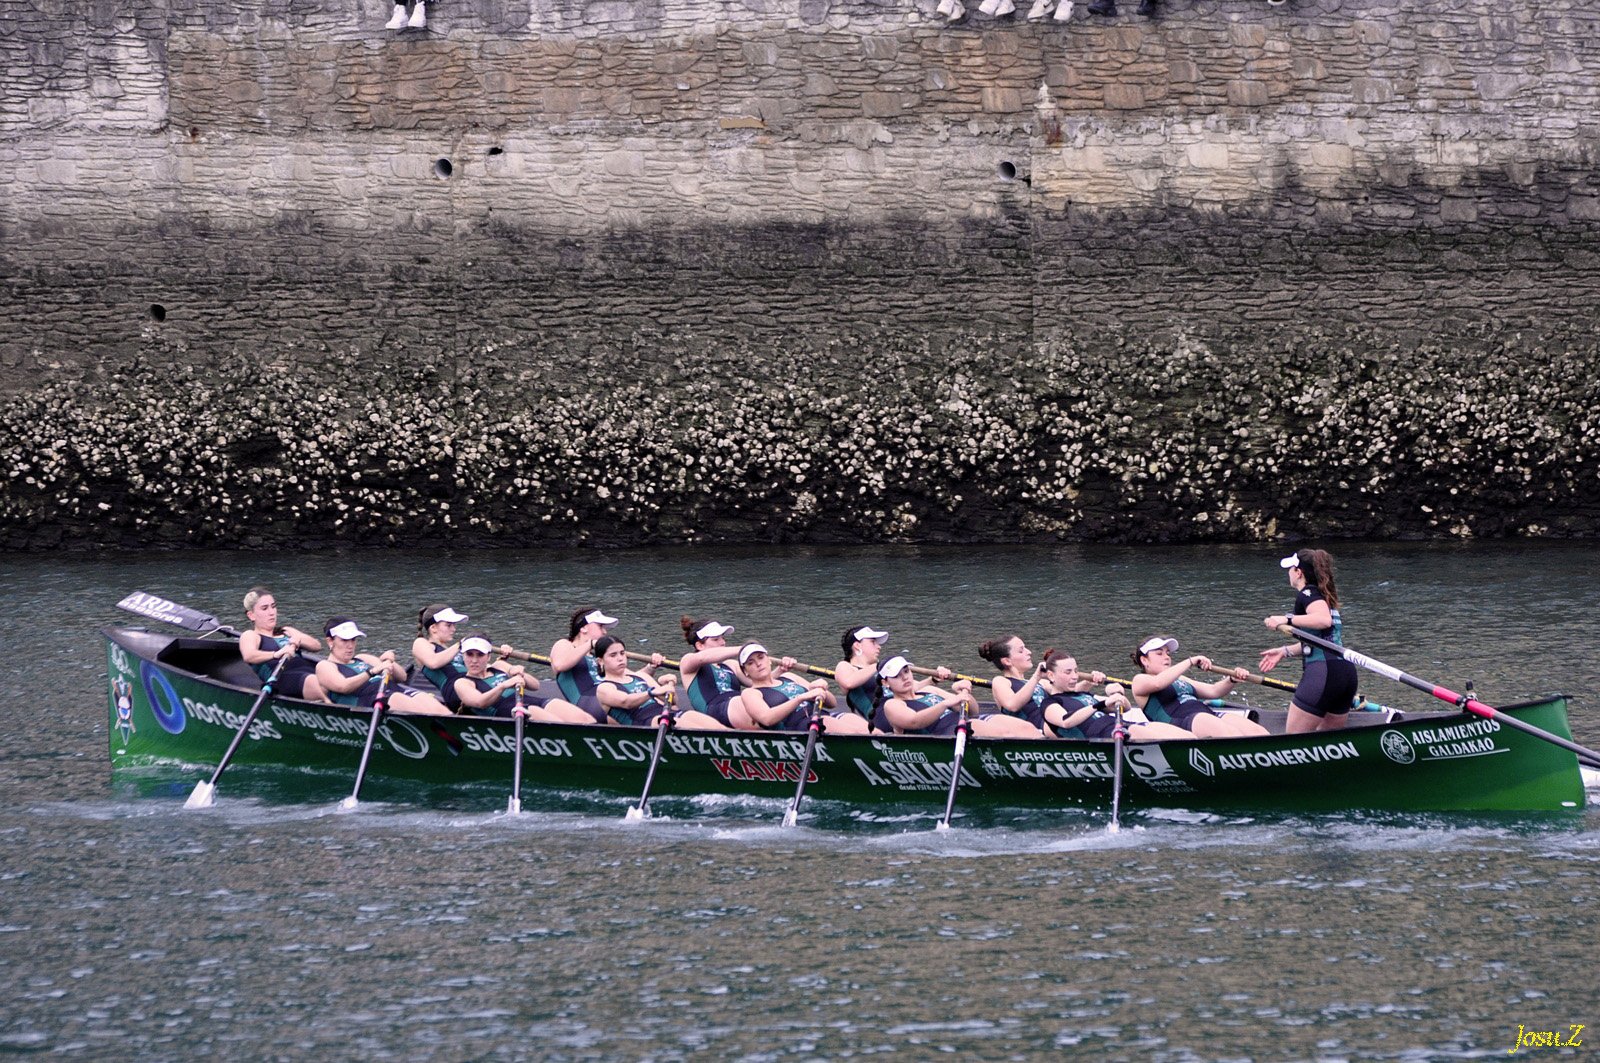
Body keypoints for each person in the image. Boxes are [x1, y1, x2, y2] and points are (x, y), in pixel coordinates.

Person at [1259, 549, 1360, 734]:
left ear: (1298, 572)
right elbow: (1321, 640)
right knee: (1327, 745)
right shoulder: (1325, 596)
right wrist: (1285, 651)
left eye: (1290, 568)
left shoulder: (1307, 594)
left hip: (1323, 674)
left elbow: (1323, 620)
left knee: (1294, 740)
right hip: (1345, 674)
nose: (1288, 572)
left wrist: (1286, 619)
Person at [1129, 637, 1268, 738]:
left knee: (1258, 732)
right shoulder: (1140, 680)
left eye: (1168, 653)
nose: (1166, 657)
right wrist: (1190, 661)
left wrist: (1231, 679)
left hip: (1207, 715)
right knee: (1231, 734)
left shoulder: (1180, 678)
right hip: (1180, 723)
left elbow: (1214, 691)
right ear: (1144, 660)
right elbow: (1158, 683)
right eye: (1159, 653)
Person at [1038, 649, 1189, 741]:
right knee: (1137, 731)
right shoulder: (1049, 703)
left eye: (1076, 671)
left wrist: (1118, 695)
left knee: (1161, 727)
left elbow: (1127, 708)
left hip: (1123, 729)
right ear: (1051, 676)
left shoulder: (1083, 695)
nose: (1074, 676)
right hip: (1105, 739)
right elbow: (1066, 722)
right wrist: (1101, 703)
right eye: (1068, 672)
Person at [314, 618, 449, 715]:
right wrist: (372, 672)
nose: (350, 645)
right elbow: (342, 686)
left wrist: (390, 663)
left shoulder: (363, 657)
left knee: (427, 700)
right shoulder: (325, 666)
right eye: (344, 640)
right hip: (367, 702)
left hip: (392, 691)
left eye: (353, 639)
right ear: (330, 641)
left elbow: (402, 677)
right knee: (398, 698)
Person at [878, 656, 1037, 737]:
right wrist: (946, 703)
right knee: (1005, 735)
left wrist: (963, 693)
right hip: (947, 736)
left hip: (967, 722)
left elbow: (973, 710)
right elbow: (914, 721)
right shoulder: (892, 705)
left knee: (1027, 729)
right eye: (897, 676)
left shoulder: (930, 690)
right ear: (886, 683)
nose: (905, 677)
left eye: (906, 671)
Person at [446, 635, 593, 723]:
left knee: (585, 719)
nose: (474, 660)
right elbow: (480, 702)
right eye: (470, 655)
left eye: (480, 655)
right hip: (511, 712)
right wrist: (504, 686)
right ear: (463, 656)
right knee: (555, 721)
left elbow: (535, 686)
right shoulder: (462, 683)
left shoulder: (499, 665)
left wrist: (520, 673)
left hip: (531, 701)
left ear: (488, 656)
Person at [834, 625, 953, 730]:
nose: (879, 646)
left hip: (904, 705)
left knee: (931, 691)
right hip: (884, 716)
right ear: (857, 645)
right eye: (873, 642)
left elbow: (913, 687)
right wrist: (880, 666)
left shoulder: (880, 669)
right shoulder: (845, 666)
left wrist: (932, 679)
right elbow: (848, 682)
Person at [595, 635, 725, 729]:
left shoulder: (640, 676)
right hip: (645, 724)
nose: (620, 659)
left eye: (622, 653)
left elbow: (673, 702)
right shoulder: (604, 688)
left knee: (716, 727)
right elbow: (626, 701)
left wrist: (667, 685)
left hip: (668, 714)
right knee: (686, 725)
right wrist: (652, 692)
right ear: (600, 661)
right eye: (613, 655)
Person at [735, 644, 868, 734]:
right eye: (750, 663)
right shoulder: (750, 693)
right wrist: (800, 698)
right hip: (799, 729)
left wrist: (822, 690)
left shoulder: (788, 676)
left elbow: (832, 703)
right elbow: (766, 718)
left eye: (761, 657)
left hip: (823, 716)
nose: (758, 664)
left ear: (769, 660)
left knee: (871, 731)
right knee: (850, 731)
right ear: (745, 672)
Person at [238, 587, 326, 702]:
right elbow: (249, 655)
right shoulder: (250, 635)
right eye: (264, 608)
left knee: (329, 670)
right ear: (251, 615)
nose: (271, 612)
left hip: (307, 671)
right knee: (315, 682)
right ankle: (333, 707)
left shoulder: (286, 631)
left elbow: (317, 646)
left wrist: (299, 639)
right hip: (280, 679)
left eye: (273, 606)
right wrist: (276, 654)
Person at [551, 607, 637, 724]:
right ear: (584, 628)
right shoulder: (564, 644)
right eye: (600, 626)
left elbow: (634, 678)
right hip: (587, 702)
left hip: (609, 695)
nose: (605, 632)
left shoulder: (598, 657)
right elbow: (559, 665)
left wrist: (650, 667)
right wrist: (590, 644)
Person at [677, 617, 751, 726]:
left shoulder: (731, 664)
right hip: (714, 710)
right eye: (716, 639)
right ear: (700, 645)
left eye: (722, 638)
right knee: (745, 698)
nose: (723, 643)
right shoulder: (689, 661)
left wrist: (780, 670)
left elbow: (762, 684)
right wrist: (744, 649)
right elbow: (702, 658)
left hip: (738, 705)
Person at [411, 604, 470, 697]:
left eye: (454, 625)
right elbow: (433, 662)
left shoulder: (451, 650)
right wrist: (461, 644)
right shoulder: (421, 643)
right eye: (448, 625)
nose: (454, 629)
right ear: (433, 628)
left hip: (472, 683)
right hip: (456, 691)